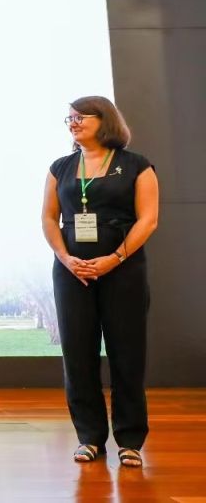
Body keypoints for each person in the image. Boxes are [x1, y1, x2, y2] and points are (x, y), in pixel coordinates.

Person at [41, 96, 158, 468]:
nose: (72, 123)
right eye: (69, 118)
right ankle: (90, 437)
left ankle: (130, 440)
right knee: (78, 356)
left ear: (103, 119)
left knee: (127, 354)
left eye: (80, 117)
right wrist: (65, 258)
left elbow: (148, 220)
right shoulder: (61, 166)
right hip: (72, 272)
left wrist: (115, 258)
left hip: (122, 269)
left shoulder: (135, 164)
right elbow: (48, 217)